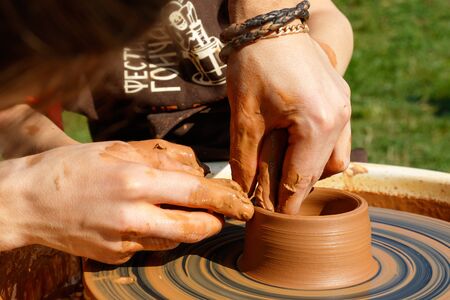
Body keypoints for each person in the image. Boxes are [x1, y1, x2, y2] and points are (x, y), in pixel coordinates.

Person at [0, 0, 353, 264]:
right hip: (131, 174)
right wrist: (54, 175)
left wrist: (307, 61)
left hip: (284, 150)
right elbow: (9, 107)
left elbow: (323, 13)